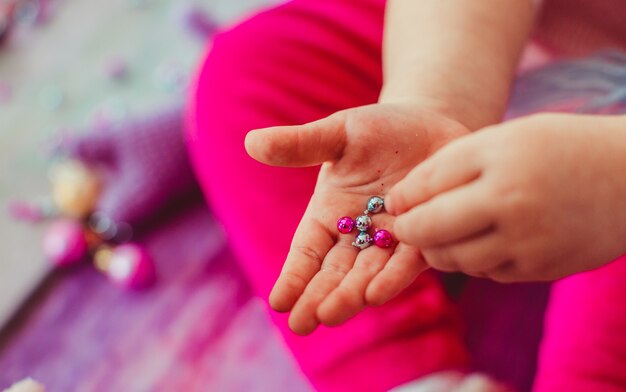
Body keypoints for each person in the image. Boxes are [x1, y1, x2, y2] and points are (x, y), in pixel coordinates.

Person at [186, 0, 626, 390]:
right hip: (532, 48)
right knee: (253, 67)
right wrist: (433, 102)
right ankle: (416, 379)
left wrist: (610, 180)